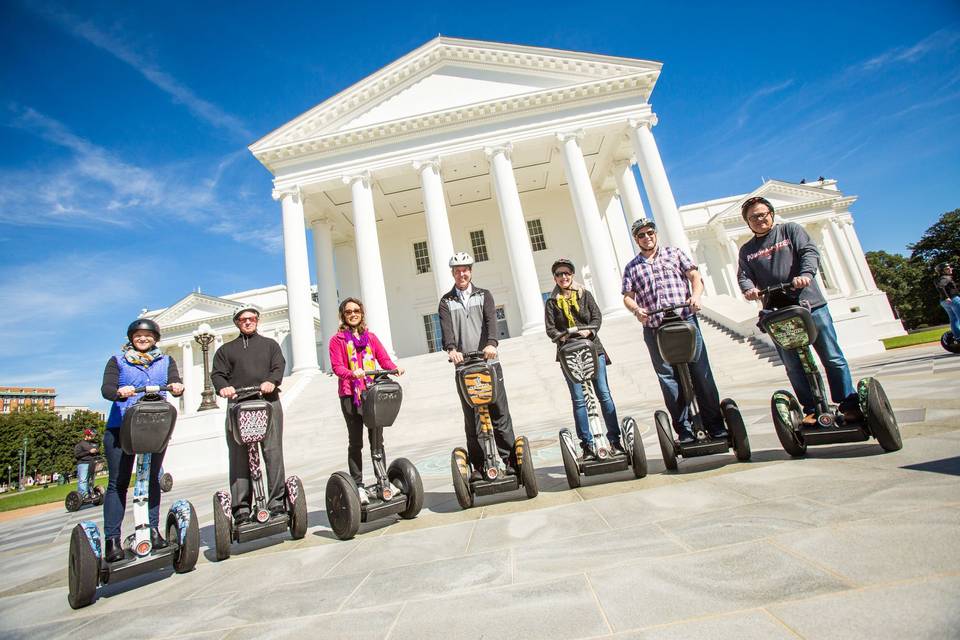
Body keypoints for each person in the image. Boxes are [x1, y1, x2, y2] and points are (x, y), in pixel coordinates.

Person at [737, 195, 862, 424]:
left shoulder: (790, 231)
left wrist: (805, 275)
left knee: (832, 357)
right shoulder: (747, 250)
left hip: (810, 306)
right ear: (747, 222)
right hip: (778, 313)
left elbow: (809, 252)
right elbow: (744, 275)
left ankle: (848, 404)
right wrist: (749, 290)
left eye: (762, 214)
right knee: (793, 365)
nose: (759, 220)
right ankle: (812, 409)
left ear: (771, 214)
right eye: (752, 217)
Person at [622, 219, 726, 444]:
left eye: (650, 232)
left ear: (656, 234)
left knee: (701, 373)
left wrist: (696, 296)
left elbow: (695, 277)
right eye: (641, 235)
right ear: (636, 239)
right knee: (669, 380)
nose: (647, 237)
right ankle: (685, 430)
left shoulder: (675, 253)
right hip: (655, 328)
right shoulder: (632, 267)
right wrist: (637, 310)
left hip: (684, 321)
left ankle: (715, 425)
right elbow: (628, 297)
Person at [100, 318, 184, 562]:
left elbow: (175, 381)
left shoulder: (166, 360)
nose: (143, 339)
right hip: (121, 429)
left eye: (148, 335)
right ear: (131, 338)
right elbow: (106, 389)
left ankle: (152, 531)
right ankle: (112, 540)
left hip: (154, 427)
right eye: (138, 335)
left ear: (155, 338)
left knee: (151, 480)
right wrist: (119, 391)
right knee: (119, 481)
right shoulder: (117, 361)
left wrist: (177, 386)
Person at [439, 252, 518, 480]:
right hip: (464, 367)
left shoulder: (485, 295)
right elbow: (447, 330)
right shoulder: (446, 301)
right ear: (453, 273)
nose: (461, 273)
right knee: (471, 418)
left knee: (499, 414)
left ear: (471, 271)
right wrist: (452, 350)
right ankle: (478, 466)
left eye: (465, 269)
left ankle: (510, 460)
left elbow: (491, 322)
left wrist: (492, 344)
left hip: (488, 363)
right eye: (457, 270)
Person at [211, 307, 287, 526]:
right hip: (238, 404)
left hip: (268, 401)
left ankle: (276, 502)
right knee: (238, 456)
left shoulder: (270, 345)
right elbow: (217, 374)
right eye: (243, 319)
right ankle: (241, 508)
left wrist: (272, 380)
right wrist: (223, 388)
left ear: (257, 320)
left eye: (251, 319)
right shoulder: (226, 350)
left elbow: (278, 366)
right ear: (236, 322)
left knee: (273, 452)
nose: (247, 322)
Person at [544, 258, 624, 459]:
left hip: (593, 349)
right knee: (579, 399)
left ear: (572, 275)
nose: (563, 277)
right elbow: (550, 328)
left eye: (567, 273)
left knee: (603, 393)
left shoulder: (585, 295)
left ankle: (615, 440)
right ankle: (587, 445)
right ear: (555, 278)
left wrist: (589, 332)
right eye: (559, 274)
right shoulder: (552, 302)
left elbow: (596, 317)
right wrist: (562, 336)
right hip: (568, 353)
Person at [329, 297, 404, 502]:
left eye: (356, 311)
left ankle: (383, 481)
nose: (353, 314)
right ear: (343, 316)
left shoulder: (370, 337)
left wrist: (394, 369)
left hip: (372, 394)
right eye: (348, 311)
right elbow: (337, 367)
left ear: (361, 313)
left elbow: (383, 357)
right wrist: (353, 374)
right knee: (355, 442)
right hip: (350, 395)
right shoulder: (338, 340)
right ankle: (358, 485)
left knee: (377, 440)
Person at [934, 262, 960, 340]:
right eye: (947, 268)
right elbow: (940, 286)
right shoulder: (945, 278)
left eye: (949, 267)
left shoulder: (939, 278)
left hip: (944, 302)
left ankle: (958, 337)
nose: (949, 269)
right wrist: (946, 297)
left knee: (954, 319)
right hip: (953, 299)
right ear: (942, 271)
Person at [74, 428, 99, 498]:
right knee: (83, 479)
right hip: (83, 463)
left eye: (93, 436)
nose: (92, 437)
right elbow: (77, 455)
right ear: (86, 435)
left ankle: (90, 492)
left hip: (92, 463)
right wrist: (89, 452)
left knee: (91, 479)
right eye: (91, 436)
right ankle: (83, 494)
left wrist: (96, 452)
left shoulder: (95, 444)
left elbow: (97, 452)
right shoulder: (80, 444)